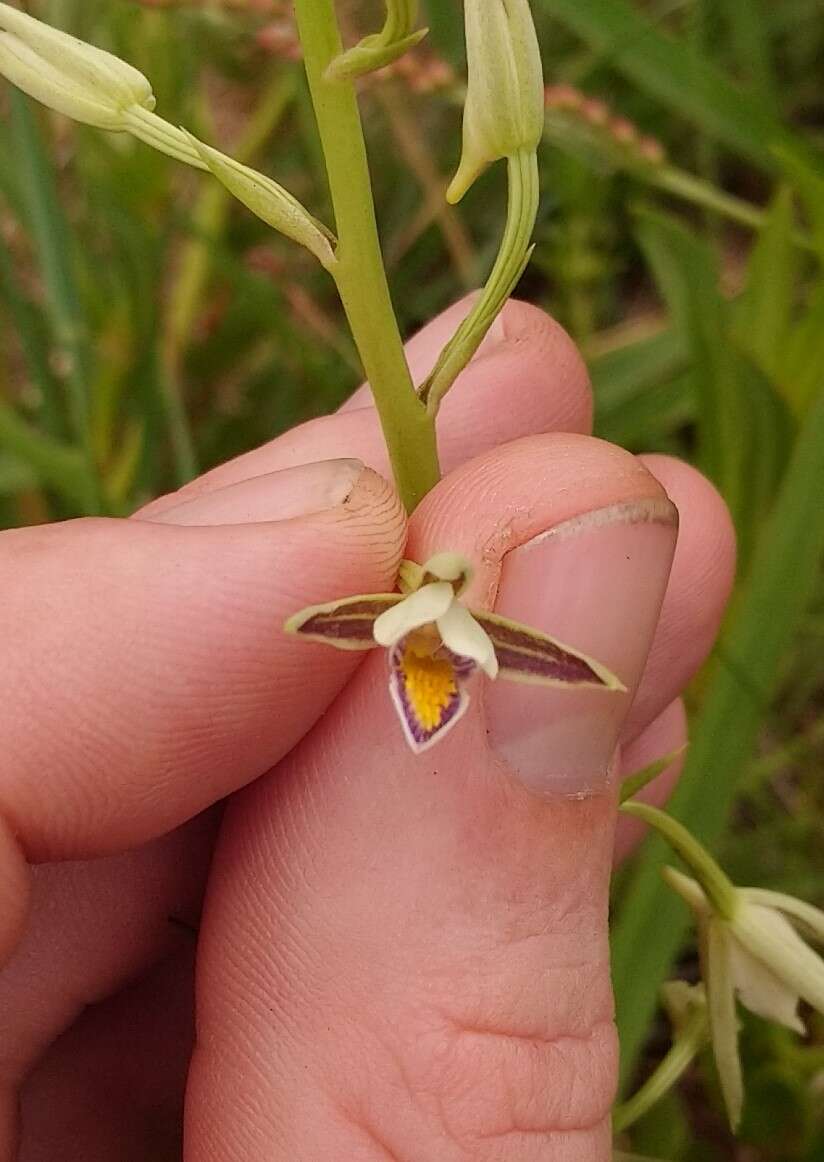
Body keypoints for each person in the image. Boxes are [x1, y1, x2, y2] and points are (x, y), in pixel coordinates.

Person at [0, 297, 735, 1161]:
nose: (429, 657)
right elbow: (342, 626)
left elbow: (368, 630)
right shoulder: (412, 633)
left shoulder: (423, 630)